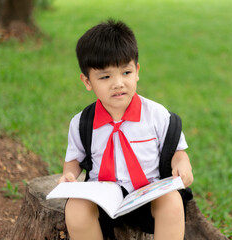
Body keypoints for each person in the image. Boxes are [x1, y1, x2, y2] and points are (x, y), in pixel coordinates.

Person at [58, 19, 193, 240]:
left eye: (126, 73)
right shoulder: (82, 123)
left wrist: (183, 167)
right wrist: (69, 175)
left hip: (147, 197)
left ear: (137, 71)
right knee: (76, 208)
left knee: (172, 202)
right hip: (102, 199)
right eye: (105, 77)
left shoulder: (157, 115)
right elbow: (73, 160)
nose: (118, 83)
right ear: (87, 81)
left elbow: (178, 152)